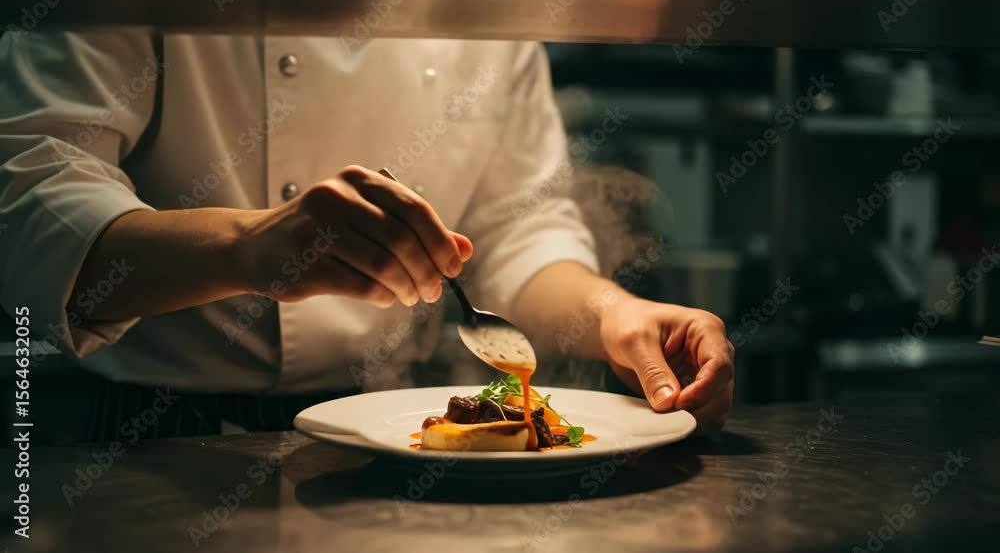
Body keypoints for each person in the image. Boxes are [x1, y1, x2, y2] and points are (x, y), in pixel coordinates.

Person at [0, 31, 733, 441]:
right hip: (158, 435)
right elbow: (32, 195)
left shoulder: (492, 8)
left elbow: (520, 226)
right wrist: (243, 248)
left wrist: (613, 314)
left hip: (386, 431)